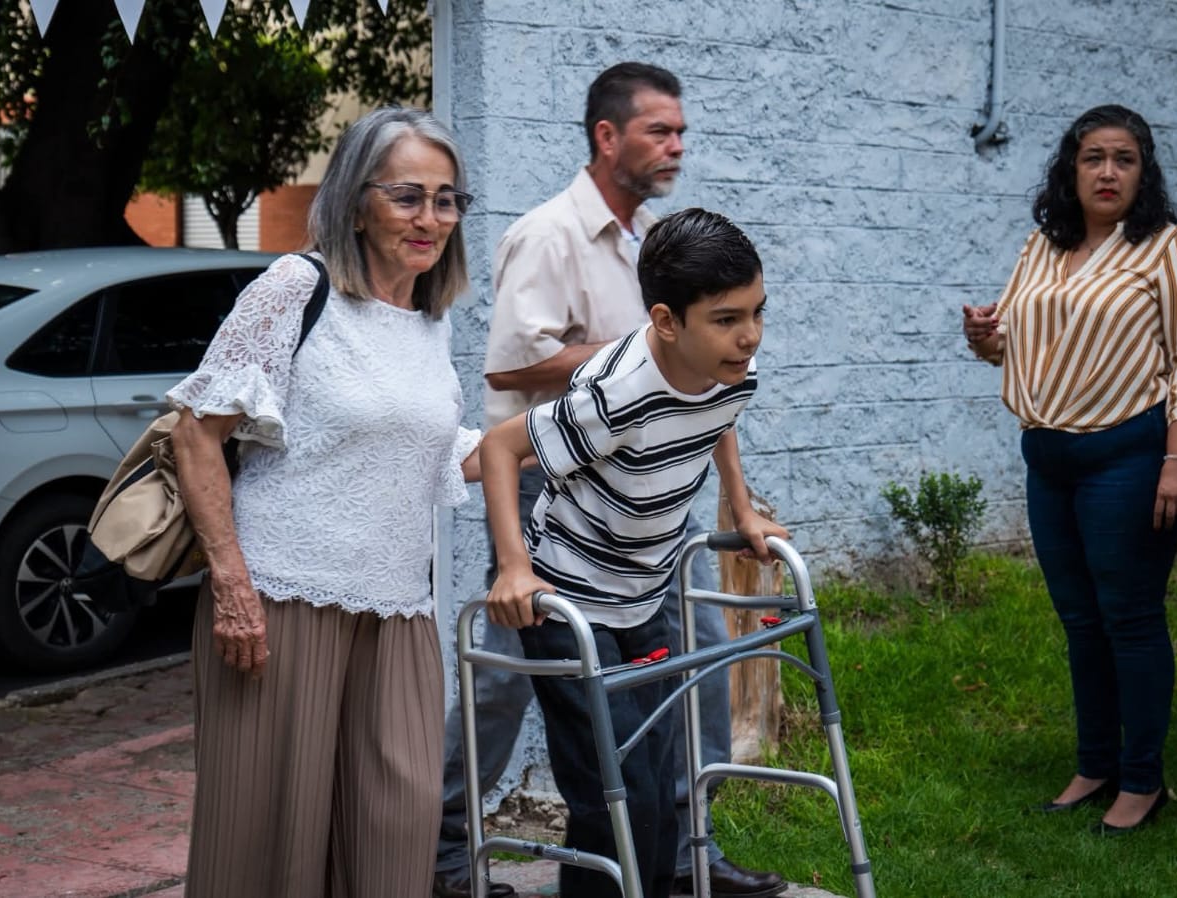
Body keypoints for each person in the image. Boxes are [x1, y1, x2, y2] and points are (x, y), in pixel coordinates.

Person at [431, 62, 787, 898]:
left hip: (652, 487)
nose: (677, 145)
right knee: (510, 688)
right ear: (607, 136)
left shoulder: (659, 240)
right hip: (554, 484)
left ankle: (679, 851)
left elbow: (719, 401)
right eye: (660, 130)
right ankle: (443, 846)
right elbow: (510, 370)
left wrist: (737, 499)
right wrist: (643, 363)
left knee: (683, 681)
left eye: (681, 131)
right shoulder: (549, 235)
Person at [168, 107, 482, 897]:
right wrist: (231, 585)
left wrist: (572, 435)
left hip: (399, 609)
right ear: (354, 202)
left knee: (397, 830)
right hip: (279, 605)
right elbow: (196, 433)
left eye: (446, 199)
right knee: (267, 847)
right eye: (408, 196)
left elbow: (433, 449)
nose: (430, 218)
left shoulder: (430, 321)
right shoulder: (295, 289)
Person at [963, 105, 1177, 835]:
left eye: (1124, 159)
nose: (1108, 172)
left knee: (1129, 617)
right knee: (1080, 620)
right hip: (1048, 459)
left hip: (1129, 457)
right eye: (1093, 158)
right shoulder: (1043, 246)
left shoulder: (1166, 248)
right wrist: (984, 337)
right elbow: (1014, 342)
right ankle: (1095, 763)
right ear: (1070, 170)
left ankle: (1143, 780)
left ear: (1144, 172)